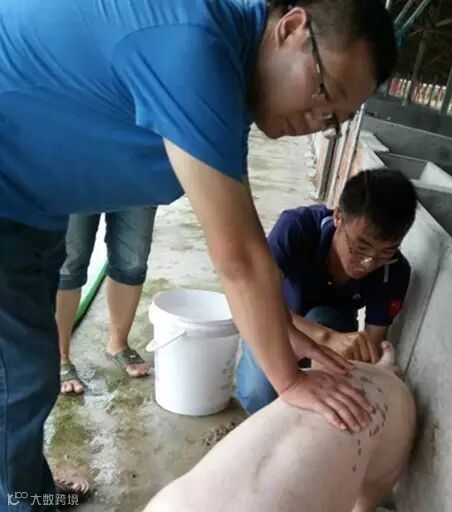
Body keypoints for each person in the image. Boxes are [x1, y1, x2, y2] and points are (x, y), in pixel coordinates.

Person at [0, 0, 397, 508]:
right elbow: (239, 257)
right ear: (293, 28)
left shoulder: (230, 83)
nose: (319, 121)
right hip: (9, 194)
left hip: (34, 205)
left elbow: (240, 231)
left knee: (23, 373)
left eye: (335, 119)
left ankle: (29, 491)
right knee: (19, 380)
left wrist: (288, 331)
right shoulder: (195, 47)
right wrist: (290, 381)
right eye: (325, 92)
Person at [237, 169, 417, 414]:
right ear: (338, 216)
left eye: (385, 252)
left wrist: (377, 370)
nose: (368, 264)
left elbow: (372, 344)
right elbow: (254, 301)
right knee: (259, 396)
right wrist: (324, 338)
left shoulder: (394, 271)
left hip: (334, 326)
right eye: (360, 248)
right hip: (277, 322)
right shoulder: (296, 228)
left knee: (323, 321)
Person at [57, 208, 156, 395]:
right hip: (74, 187)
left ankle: (118, 343)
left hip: (135, 188)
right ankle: (60, 356)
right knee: (68, 261)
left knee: (132, 261)